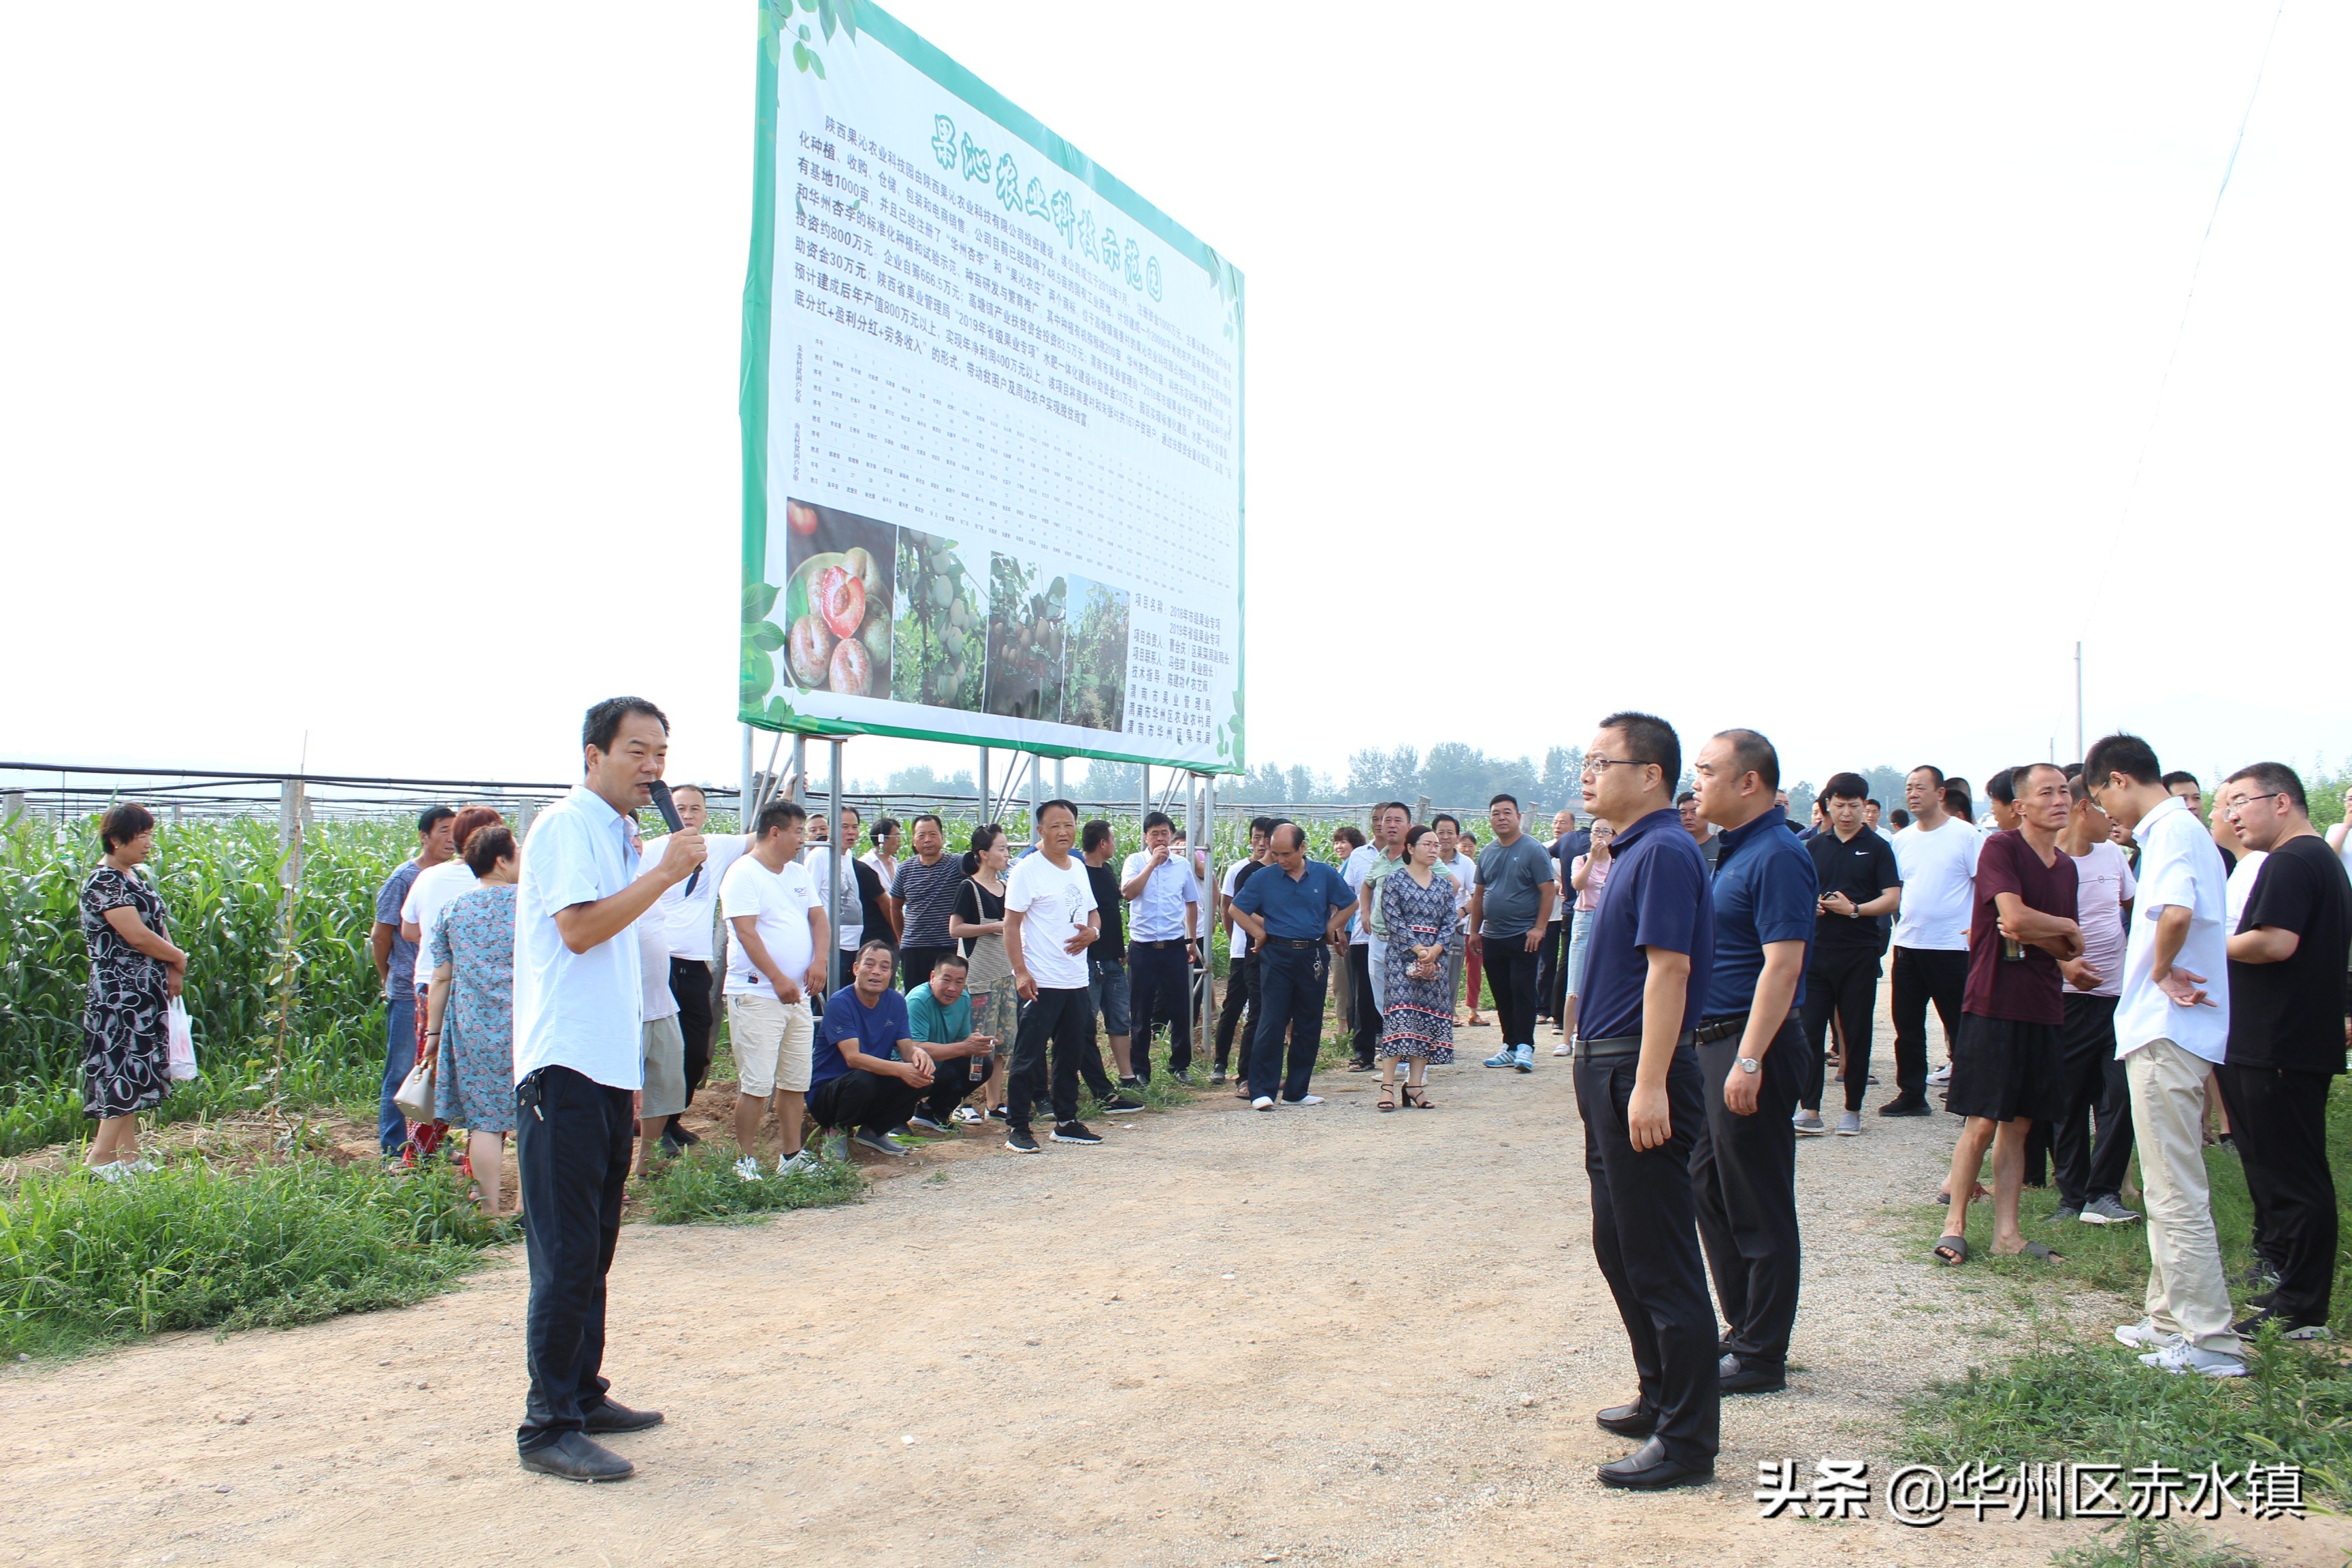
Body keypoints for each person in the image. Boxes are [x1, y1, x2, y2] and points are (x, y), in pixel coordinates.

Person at [510, 696, 705, 1481]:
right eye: (636, 751)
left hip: (605, 1068)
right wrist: (663, 872)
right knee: (563, 1253)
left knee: (594, 1247)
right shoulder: (565, 825)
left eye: (660, 752)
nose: (652, 767)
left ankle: (582, 1394)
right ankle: (546, 1426)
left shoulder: (618, 834)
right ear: (592, 754)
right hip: (562, 1066)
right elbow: (580, 930)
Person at [1573, 712, 1718, 1490]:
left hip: (1639, 1069)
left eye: (1604, 760)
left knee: (1662, 1259)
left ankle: (1690, 1442)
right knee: (1619, 1241)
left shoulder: (1662, 849)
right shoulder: (1628, 850)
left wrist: (1653, 1082)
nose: (1589, 772)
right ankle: (1660, 1393)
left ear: (1651, 773)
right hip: (1608, 1068)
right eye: (1586, 760)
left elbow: (1670, 973)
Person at [2085, 733, 2247, 1378]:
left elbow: (2175, 913)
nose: (2106, 816)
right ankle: (2168, 1318)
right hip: (2170, 1034)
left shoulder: (2173, 833)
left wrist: (2163, 968)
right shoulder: (2176, 832)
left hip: (2168, 1034)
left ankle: (2210, 1341)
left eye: (2102, 800)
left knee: (2175, 1191)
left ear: (2120, 780)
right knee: (2164, 1185)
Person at [1686, 729, 1813, 1396]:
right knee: (1709, 1186)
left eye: (1708, 771)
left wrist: (1752, 1060)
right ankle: (1745, 1327)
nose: (1696, 782)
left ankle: (1764, 1354)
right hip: (1714, 1043)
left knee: (1758, 1197)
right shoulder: (1730, 852)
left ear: (1749, 783)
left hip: (1748, 1043)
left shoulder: (1779, 855)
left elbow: (1783, 963)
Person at [2217, 763, 2352, 1338]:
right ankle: (2292, 1290)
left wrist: (2206, 946)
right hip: (2279, 1039)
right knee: (2281, 1171)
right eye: (2229, 805)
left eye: (2242, 801)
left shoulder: (2295, 860)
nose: (2232, 815)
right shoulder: (2314, 858)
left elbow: (2275, 942)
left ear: (2281, 802)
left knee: (2294, 1175)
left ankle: (2302, 1307)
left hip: (2281, 1041)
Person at [1933, 764, 2082, 1266]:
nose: (2059, 800)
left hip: (2043, 1005)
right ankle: (1954, 1224)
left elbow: (2056, 943)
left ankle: (2008, 1234)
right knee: (1982, 1121)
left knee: (2019, 1124)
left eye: (2065, 791)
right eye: (2047, 792)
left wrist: (2054, 936)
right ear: (2020, 806)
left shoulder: (2066, 867)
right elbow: (2016, 920)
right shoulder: (2001, 848)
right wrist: (2062, 929)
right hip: (1994, 1001)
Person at [720, 799, 830, 1179]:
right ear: (775, 832)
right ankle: (745, 1160)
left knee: (795, 1080)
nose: (803, 839)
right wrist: (777, 978)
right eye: (798, 832)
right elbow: (746, 932)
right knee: (757, 1083)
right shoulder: (743, 874)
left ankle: (791, 1155)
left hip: (796, 996)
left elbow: (819, 919)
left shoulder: (798, 874)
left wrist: (819, 962)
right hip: (756, 994)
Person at [2048, 773, 2140, 1226]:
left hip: (2118, 997)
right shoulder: (2052, 862)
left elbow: (2130, 909)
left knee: (2119, 1096)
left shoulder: (2113, 857)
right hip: (2068, 999)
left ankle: (2104, 1194)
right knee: (2067, 1103)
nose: (2115, 821)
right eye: (2107, 810)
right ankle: (2071, 1196)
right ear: (2085, 809)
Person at [79, 804, 187, 1176]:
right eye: (141, 835)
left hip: (143, 990)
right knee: (123, 1067)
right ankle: (100, 1157)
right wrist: (178, 957)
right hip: (120, 993)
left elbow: (155, 924)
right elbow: (137, 935)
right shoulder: (104, 882)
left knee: (137, 1066)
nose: (148, 843)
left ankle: (127, 1156)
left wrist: (172, 964)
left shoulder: (134, 878)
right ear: (116, 839)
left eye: (149, 835)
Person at [643, 785, 751, 1152]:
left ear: (705, 814)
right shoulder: (653, 850)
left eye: (695, 808)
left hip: (694, 963)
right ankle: (650, 1130)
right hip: (659, 961)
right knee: (660, 1049)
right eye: (680, 808)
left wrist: (789, 791)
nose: (687, 815)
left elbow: (762, 836)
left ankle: (672, 1120)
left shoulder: (716, 846)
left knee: (696, 1048)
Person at [1795, 773, 1901, 1136]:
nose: (1846, 813)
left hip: (1858, 952)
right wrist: (1813, 907)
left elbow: (1892, 898)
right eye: (1839, 805)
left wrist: (1854, 909)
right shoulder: (1813, 847)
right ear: (1828, 805)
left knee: (1856, 1032)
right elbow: (1798, 894)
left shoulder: (1878, 847)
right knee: (1809, 1032)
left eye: (1854, 806)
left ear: (1865, 807)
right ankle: (1809, 1109)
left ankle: (1852, 1108)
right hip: (1818, 952)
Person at [1001, 800, 1109, 1152]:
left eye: (1069, 824)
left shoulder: (1077, 866)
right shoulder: (1027, 870)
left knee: (1070, 1053)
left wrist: (1093, 933)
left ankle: (1066, 1121)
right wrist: (1020, 972)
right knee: (1028, 1055)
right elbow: (1011, 924)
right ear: (1040, 831)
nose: (1063, 832)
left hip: (1076, 978)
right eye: (1055, 826)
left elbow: (1094, 916)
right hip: (1041, 979)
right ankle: (1018, 1126)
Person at [425, 823, 521, 1213]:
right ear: (502, 860)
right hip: (527, 1024)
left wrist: (433, 1033)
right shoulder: (531, 905)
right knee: (535, 1118)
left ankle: (489, 1210)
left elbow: (442, 976)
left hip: (473, 1026)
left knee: (485, 1120)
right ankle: (527, 1209)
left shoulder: (454, 909)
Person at [1229, 823, 1357, 1109]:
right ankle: (1262, 1090)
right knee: (1271, 1021)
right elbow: (1236, 909)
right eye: (1275, 854)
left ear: (1302, 848)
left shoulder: (1324, 875)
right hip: (1277, 955)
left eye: (1286, 854)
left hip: (1312, 955)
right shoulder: (1264, 878)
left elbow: (1350, 903)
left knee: (1309, 1023)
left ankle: (1297, 1090)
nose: (1280, 860)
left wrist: (1332, 927)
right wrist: (1260, 933)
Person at [398, 803, 503, 1149]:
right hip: (487, 991)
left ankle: (420, 1154)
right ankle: (480, 1163)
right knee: (490, 1078)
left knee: (429, 1071)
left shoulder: (429, 877)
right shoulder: (508, 887)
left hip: (431, 982)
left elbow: (410, 931)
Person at [1885, 765, 1981, 1113]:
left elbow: (1985, 885)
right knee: (1907, 1026)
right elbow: (1895, 889)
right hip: (1910, 944)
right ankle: (1911, 1094)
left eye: (1920, 788)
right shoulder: (1902, 840)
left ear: (1940, 793)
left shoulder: (1965, 835)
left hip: (1952, 947)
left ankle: (1968, 1096)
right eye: (1909, 788)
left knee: (1960, 1025)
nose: (1913, 794)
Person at [805, 940, 938, 1159]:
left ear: (891, 974)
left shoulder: (895, 1001)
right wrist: (900, 1070)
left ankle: (873, 1132)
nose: (876, 972)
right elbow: (853, 1059)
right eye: (869, 964)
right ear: (856, 969)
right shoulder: (840, 1003)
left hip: (868, 1086)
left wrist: (919, 1054)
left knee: (922, 1076)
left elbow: (906, 1049)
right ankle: (836, 1134)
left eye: (884, 967)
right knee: (862, 1078)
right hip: (828, 1094)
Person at [373, 804, 453, 1157]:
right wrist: (388, 977)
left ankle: (428, 1146)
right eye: (443, 831)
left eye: (456, 831)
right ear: (424, 837)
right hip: (410, 988)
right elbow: (382, 934)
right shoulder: (405, 879)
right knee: (405, 1070)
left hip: (441, 987)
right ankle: (395, 1146)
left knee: (435, 1070)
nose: (452, 839)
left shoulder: (453, 877)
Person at [1374, 825, 1458, 1110]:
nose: (1434, 849)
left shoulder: (1444, 885)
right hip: (1402, 957)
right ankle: (1387, 1087)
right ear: (1410, 848)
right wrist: (1418, 949)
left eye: (1437, 845)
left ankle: (1415, 1085)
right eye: (1428, 844)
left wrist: (1435, 950)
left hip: (1435, 959)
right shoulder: (1395, 881)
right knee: (1400, 1017)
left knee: (1427, 1018)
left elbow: (1449, 921)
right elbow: (1393, 919)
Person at [1473, 794, 1558, 1073]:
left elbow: (1549, 890)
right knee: (1502, 993)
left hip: (1524, 936)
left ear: (1518, 817)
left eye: (1507, 812)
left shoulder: (1533, 850)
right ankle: (1509, 1045)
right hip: (1493, 936)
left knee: (1522, 991)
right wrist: (1475, 931)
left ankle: (1526, 1046)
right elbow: (1480, 894)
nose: (1501, 817)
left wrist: (1539, 928)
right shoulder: (1487, 852)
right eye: (1496, 813)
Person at [1122, 810, 1202, 1083]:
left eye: (1164, 833)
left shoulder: (1182, 865)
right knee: (1141, 1011)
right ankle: (1140, 1069)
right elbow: (1129, 893)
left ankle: (1180, 1066)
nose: (1160, 839)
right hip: (1143, 948)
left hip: (1174, 947)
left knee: (1181, 1009)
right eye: (1154, 833)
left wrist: (1191, 940)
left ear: (1171, 836)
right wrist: (1152, 865)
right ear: (1146, 837)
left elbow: (1191, 901)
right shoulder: (1135, 862)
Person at [945, 824, 1013, 1124]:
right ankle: (962, 1101)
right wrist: (992, 927)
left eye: (1008, 848)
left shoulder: (1007, 888)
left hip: (1006, 976)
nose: (1007, 854)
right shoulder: (969, 888)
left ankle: (994, 1103)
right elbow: (955, 929)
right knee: (975, 1043)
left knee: (1000, 1042)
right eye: (1001, 848)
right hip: (978, 979)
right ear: (983, 854)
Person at [1213, 818, 1275, 1085]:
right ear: (1250, 840)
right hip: (1243, 950)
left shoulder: (1279, 869)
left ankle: (1259, 1070)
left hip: (1266, 949)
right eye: (1257, 837)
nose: (1261, 843)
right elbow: (1229, 908)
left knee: (1263, 1010)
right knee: (1234, 1007)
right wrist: (1233, 939)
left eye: (1266, 838)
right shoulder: (1240, 870)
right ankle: (1220, 1062)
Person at [1080, 820, 1137, 1085]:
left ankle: (1127, 1075)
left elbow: (1112, 914)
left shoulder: (1106, 870)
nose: (1114, 844)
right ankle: (1086, 1078)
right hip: (1088, 961)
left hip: (1112, 959)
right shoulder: (1077, 872)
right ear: (1102, 843)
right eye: (1112, 840)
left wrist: (1118, 949)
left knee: (1119, 1019)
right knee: (1085, 1023)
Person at [889, 815, 966, 992]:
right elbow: (895, 906)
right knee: (916, 998)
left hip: (948, 946)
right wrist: (902, 939)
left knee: (949, 995)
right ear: (914, 841)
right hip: (914, 948)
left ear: (942, 837)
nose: (928, 840)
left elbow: (978, 863)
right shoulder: (905, 869)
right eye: (921, 835)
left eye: (933, 834)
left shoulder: (956, 864)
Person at [1561, 819, 1616, 1057]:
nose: (1601, 836)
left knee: (1605, 981)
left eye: (1606, 831)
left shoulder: (1619, 862)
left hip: (1611, 921)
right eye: (1596, 831)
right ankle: (1565, 1039)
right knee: (1575, 984)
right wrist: (1593, 858)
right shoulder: (1581, 860)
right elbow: (1577, 885)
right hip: (1584, 919)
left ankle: (1590, 1034)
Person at [1339, 817, 1385, 1071]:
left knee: (1397, 995)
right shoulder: (1357, 856)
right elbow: (1345, 895)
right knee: (1363, 997)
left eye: (1390, 819)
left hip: (1399, 939)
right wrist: (1339, 929)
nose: (1383, 824)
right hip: (1361, 936)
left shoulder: (1411, 854)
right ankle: (1364, 1053)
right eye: (1377, 819)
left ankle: (1398, 1049)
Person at [1677, 791, 1720, 872]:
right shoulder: (1672, 847)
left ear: (1707, 814)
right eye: (1683, 813)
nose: (1688, 817)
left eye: (1694, 812)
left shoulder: (1722, 848)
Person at [862, 817, 904, 890]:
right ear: (882, 838)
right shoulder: (866, 864)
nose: (900, 840)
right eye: (896, 835)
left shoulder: (895, 863)